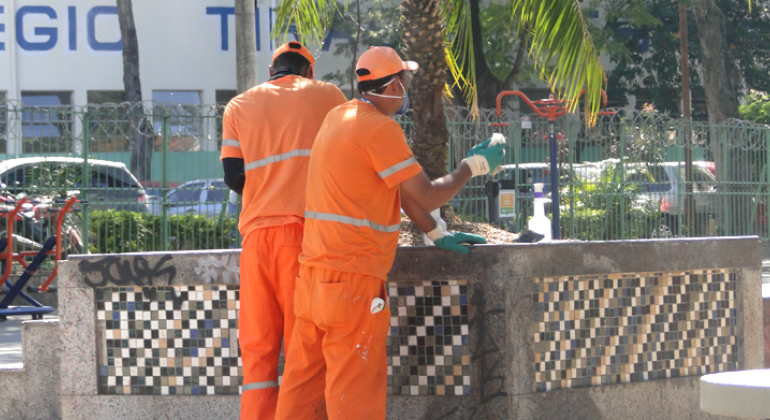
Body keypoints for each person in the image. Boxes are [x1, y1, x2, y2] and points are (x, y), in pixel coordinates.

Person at [274, 46, 506, 420]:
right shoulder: (380, 128)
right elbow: (427, 193)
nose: (407, 88)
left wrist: (435, 231)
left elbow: (400, 191)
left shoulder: (340, 116)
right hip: (352, 286)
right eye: (405, 80)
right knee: (355, 394)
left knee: (303, 389)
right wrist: (471, 166)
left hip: (314, 281)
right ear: (395, 84)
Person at [220, 41, 347, 420]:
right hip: (304, 238)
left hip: (256, 239)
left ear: (272, 71)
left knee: (258, 351)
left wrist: (268, 190)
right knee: (303, 350)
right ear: (309, 71)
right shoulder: (328, 95)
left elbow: (233, 176)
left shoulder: (239, 106)